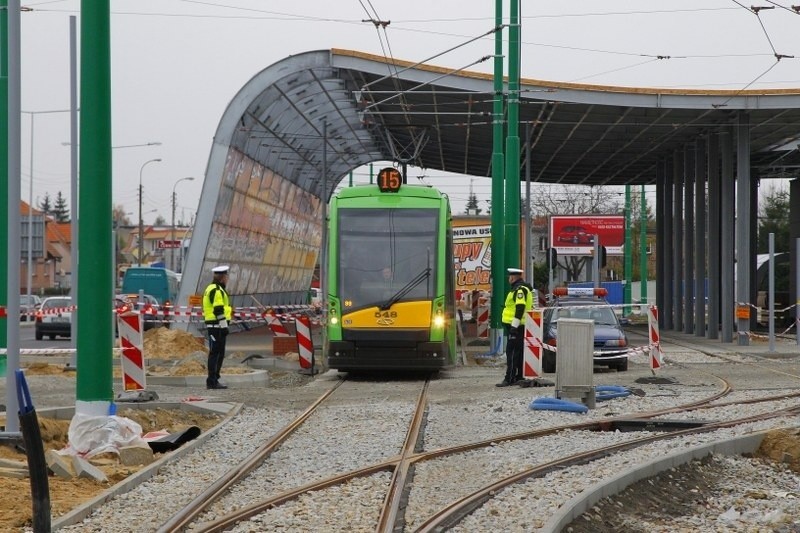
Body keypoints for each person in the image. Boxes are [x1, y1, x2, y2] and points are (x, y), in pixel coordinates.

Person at [497, 267, 534, 387]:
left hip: (517, 327)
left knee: (512, 352)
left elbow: (520, 308)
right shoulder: (518, 289)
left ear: (513, 277)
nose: (509, 278)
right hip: (519, 326)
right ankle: (519, 376)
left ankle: (510, 378)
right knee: (518, 352)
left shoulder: (519, 290)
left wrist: (514, 326)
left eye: (509, 276)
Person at [203, 265, 233, 389]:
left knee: (218, 353)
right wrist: (224, 326)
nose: (227, 279)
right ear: (222, 278)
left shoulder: (212, 288)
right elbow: (218, 309)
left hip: (215, 325)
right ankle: (212, 380)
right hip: (217, 326)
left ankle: (215, 378)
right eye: (226, 277)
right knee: (215, 353)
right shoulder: (217, 290)